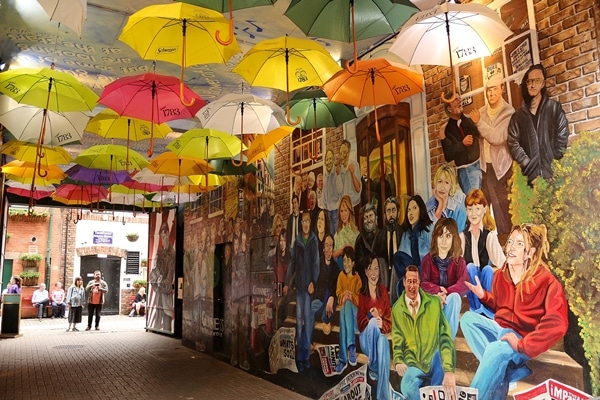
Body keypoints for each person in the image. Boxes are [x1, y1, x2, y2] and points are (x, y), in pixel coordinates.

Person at [461, 223, 569, 400]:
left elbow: (558, 323)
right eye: (510, 241)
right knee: (467, 320)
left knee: (496, 351)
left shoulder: (546, 281)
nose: (510, 247)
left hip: (524, 339)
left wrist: (521, 344)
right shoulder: (500, 276)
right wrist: (484, 296)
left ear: (531, 252)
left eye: (519, 244)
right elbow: (501, 307)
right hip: (502, 330)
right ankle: (510, 372)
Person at [392, 266, 457, 400]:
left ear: (419, 282)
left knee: (441, 356)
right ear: (404, 282)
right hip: (414, 363)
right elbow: (397, 339)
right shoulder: (397, 309)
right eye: (409, 281)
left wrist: (449, 369)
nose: (412, 285)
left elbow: (445, 337)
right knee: (407, 386)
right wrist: (398, 360)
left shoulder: (433, 303)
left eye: (415, 281)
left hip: (433, 359)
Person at [507, 63, 569, 185]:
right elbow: (512, 142)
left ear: (543, 83)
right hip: (529, 179)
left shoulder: (554, 109)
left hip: (553, 176)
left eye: (537, 80)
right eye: (529, 81)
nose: (532, 85)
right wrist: (526, 162)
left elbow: (562, 135)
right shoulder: (517, 117)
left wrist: (555, 160)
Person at [470, 74, 515, 234]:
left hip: (502, 169)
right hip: (484, 168)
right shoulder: (480, 112)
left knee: (502, 209)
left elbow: (497, 137)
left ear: (502, 89)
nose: (491, 93)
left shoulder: (508, 112)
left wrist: (478, 123)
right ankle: (487, 245)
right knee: (482, 208)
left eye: (494, 89)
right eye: (488, 90)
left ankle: (505, 239)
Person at [460, 189, 505, 318]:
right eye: (470, 209)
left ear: (484, 209)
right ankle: (476, 308)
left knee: (488, 270)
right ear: (466, 211)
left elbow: (502, 263)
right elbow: (457, 264)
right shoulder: (463, 236)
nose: (473, 214)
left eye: (477, 209)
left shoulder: (489, 236)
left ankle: (487, 309)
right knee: (469, 267)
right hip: (470, 279)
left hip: (484, 282)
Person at [420, 218, 469, 339]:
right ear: (435, 238)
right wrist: (437, 292)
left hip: (450, 302)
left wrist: (447, 292)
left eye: (448, 236)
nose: (443, 241)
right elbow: (423, 283)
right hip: (433, 302)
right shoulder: (427, 259)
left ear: (454, 239)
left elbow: (464, 284)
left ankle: (447, 341)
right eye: (440, 236)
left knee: (455, 298)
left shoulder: (459, 261)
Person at [283, 210, 319, 372]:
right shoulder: (297, 242)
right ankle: (300, 357)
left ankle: (305, 355)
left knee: (307, 322)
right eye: (303, 221)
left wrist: (314, 282)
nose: (305, 224)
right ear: (301, 223)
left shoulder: (313, 240)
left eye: (307, 221)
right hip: (299, 288)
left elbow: (316, 263)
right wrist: (286, 282)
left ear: (310, 222)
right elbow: (292, 263)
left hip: (308, 289)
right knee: (299, 322)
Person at [357, 254, 392, 400]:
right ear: (365, 272)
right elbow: (359, 323)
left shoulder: (383, 291)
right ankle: (373, 366)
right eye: (370, 269)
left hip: (378, 340)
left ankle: (383, 396)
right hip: (366, 339)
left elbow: (389, 322)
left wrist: (381, 323)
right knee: (372, 323)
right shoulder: (362, 293)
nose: (373, 273)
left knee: (383, 341)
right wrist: (373, 318)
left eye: (376, 269)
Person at [393, 195, 433, 299]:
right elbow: (401, 259)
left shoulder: (428, 229)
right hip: (410, 270)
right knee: (397, 258)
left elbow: (435, 254)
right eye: (408, 210)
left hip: (425, 269)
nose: (411, 213)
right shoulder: (406, 235)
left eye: (414, 208)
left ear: (421, 210)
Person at [441, 93, 482, 195]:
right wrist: (462, 144)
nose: (459, 101)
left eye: (459, 98)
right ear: (449, 109)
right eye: (455, 100)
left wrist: (477, 122)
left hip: (479, 166)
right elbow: (448, 155)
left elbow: (479, 136)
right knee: (474, 202)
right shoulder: (447, 130)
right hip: (467, 171)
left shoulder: (468, 120)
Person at [334, 246, 362, 375]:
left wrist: (351, 297)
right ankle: (350, 348)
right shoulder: (341, 276)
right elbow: (338, 294)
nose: (346, 264)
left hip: (356, 319)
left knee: (348, 305)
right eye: (344, 260)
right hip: (346, 318)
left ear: (353, 262)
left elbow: (361, 301)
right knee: (344, 310)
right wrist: (343, 296)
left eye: (348, 260)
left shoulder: (357, 278)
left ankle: (343, 358)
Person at [310, 233, 339, 339]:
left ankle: (325, 320)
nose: (328, 248)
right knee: (311, 309)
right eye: (326, 245)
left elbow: (336, 286)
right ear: (323, 249)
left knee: (325, 316)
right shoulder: (317, 264)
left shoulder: (336, 268)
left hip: (331, 299)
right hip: (320, 298)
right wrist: (311, 283)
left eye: (331, 245)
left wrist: (331, 297)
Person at [376, 196, 404, 301]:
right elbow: (374, 256)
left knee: (397, 263)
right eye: (388, 211)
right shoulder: (380, 235)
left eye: (393, 210)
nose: (391, 214)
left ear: (398, 213)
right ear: (384, 215)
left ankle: (393, 302)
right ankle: (383, 301)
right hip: (384, 275)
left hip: (399, 273)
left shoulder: (403, 233)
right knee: (381, 262)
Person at [151, 219, 176, 331]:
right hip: (159, 292)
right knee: (158, 318)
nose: (163, 240)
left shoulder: (172, 254)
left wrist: (161, 282)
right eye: (161, 237)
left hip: (166, 293)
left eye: (164, 236)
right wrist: (154, 278)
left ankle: (166, 331)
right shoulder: (160, 253)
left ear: (168, 235)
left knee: (166, 319)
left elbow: (170, 276)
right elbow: (155, 270)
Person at [426, 163, 467, 232]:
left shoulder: (460, 200)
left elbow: (460, 232)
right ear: (435, 183)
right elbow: (432, 234)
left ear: (451, 185)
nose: (442, 187)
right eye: (439, 182)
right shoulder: (429, 206)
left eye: (446, 183)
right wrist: (440, 206)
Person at [354, 202, 386, 287]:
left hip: (382, 281)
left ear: (376, 218)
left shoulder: (383, 235)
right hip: (366, 282)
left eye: (370, 216)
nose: (368, 220)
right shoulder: (359, 239)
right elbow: (358, 263)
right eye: (366, 217)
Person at [332, 195, 359, 266]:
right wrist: (341, 250)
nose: (343, 214)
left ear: (350, 211)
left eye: (345, 210)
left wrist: (350, 248)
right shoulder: (337, 234)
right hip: (340, 269)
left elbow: (359, 253)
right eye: (341, 211)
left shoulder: (356, 232)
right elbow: (332, 254)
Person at [273, 229, 292, 330]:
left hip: (289, 291)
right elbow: (275, 277)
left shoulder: (291, 257)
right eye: (280, 240)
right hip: (279, 290)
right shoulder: (276, 258)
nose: (282, 243)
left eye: (284, 240)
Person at [337, 139, 362, 208]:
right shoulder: (339, 169)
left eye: (344, 152)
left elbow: (358, 189)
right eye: (341, 153)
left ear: (348, 152)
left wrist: (352, 173)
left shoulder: (354, 165)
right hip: (344, 206)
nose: (342, 156)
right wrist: (338, 175)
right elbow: (339, 191)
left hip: (354, 204)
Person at [323, 149, 341, 234]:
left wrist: (338, 176)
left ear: (333, 160)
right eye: (327, 159)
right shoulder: (325, 176)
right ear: (325, 162)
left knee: (336, 236)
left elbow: (340, 190)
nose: (329, 161)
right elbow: (324, 195)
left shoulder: (336, 173)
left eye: (330, 159)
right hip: (328, 211)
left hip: (336, 210)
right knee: (330, 236)